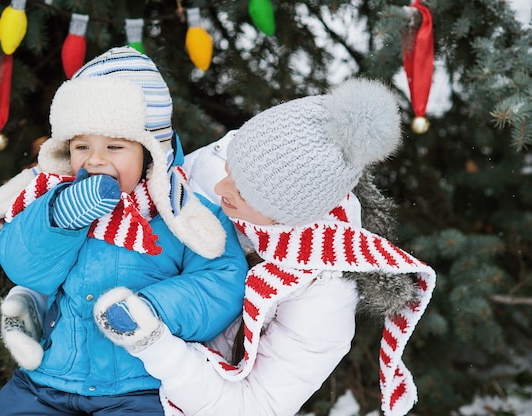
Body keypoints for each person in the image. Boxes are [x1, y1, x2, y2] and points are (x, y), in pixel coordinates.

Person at [95, 78, 437, 416]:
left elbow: (255, 406)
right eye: (230, 167)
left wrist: (156, 347)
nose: (219, 185)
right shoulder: (224, 163)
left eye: (241, 191)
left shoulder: (323, 296)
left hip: (160, 391)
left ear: (287, 215)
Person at [0, 46, 248, 415]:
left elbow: (222, 281)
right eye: (81, 146)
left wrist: (152, 310)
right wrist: (62, 217)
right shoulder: (54, 201)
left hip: (142, 388)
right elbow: (21, 265)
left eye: (114, 146)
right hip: (49, 380)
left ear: (151, 152)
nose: (95, 159)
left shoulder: (183, 215)